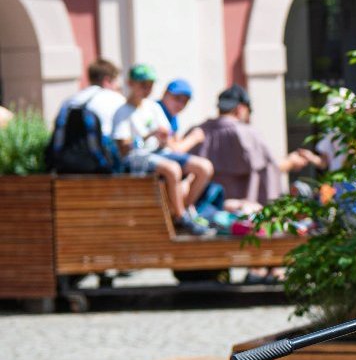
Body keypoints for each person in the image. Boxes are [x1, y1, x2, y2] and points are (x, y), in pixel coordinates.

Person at [111, 64, 216, 234]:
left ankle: (183, 213)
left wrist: (163, 137)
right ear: (131, 83)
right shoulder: (122, 111)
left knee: (204, 167)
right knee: (172, 169)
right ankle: (181, 217)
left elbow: (170, 143)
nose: (147, 89)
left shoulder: (153, 107)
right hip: (137, 156)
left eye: (150, 85)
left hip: (159, 152)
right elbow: (123, 147)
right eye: (143, 84)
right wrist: (149, 135)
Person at [194, 85, 324, 206]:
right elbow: (269, 168)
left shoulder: (197, 132)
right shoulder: (248, 134)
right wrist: (291, 162)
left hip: (206, 210)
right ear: (241, 109)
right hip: (244, 214)